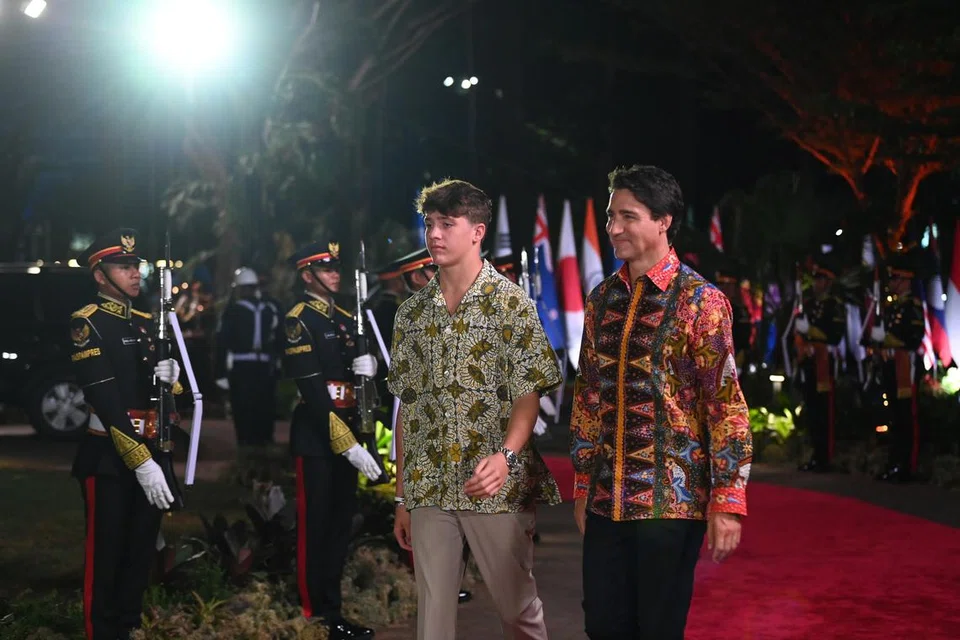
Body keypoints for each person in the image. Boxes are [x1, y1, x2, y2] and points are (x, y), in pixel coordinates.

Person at [570, 165, 753, 640]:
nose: (613, 229)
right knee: (603, 625)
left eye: (627, 217)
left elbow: (724, 403)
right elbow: (589, 396)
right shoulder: (601, 299)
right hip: (606, 501)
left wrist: (728, 501)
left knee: (657, 629)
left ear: (663, 221)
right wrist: (583, 482)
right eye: (611, 216)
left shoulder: (702, 301)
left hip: (672, 503)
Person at [389, 179, 562, 640]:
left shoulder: (511, 305)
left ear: (478, 232)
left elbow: (529, 395)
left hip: (494, 485)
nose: (435, 235)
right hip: (429, 485)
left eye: (448, 224)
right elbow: (409, 406)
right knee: (433, 620)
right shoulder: (411, 314)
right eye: (430, 224)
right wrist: (403, 496)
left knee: (517, 610)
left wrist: (505, 458)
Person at [70, 228, 182, 640]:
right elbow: (106, 401)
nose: (135, 273)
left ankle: (128, 628)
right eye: (124, 266)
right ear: (100, 275)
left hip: (152, 451)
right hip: (109, 458)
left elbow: (171, 397)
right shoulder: (88, 324)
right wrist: (141, 462)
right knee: (107, 556)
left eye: (136, 265)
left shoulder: (149, 324)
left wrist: (172, 380)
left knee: (139, 555)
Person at [282, 239, 381, 639]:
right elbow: (315, 394)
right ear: (307, 276)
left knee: (340, 526)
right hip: (317, 438)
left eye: (336, 268)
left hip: (350, 434)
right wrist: (349, 446)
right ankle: (314, 613)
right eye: (326, 269)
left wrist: (371, 367)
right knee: (315, 527)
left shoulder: (345, 318)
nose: (335, 274)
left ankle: (333, 609)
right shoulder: (299, 320)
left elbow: (359, 391)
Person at [867, 247, 926, 483]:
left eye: (895, 278)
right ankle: (895, 463)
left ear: (906, 281)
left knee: (906, 417)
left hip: (906, 367)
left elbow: (914, 335)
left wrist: (890, 339)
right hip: (892, 366)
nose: (892, 282)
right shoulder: (893, 308)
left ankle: (907, 466)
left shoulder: (911, 306)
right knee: (894, 416)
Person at [214, 267, 283, 449]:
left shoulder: (233, 311)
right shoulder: (270, 309)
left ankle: (247, 445)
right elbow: (279, 338)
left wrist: (220, 373)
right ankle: (264, 443)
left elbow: (222, 341)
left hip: (241, 366)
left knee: (243, 409)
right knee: (264, 407)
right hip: (264, 366)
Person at [793, 253, 846, 472]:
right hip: (810, 363)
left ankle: (826, 457)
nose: (818, 284)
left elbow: (835, 335)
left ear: (829, 282)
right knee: (813, 411)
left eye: (822, 280)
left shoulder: (834, 306)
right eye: (816, 279)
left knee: (826, 412)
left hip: (825, 363)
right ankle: (816, 455)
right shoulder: (809, 304)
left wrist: (812, 331)